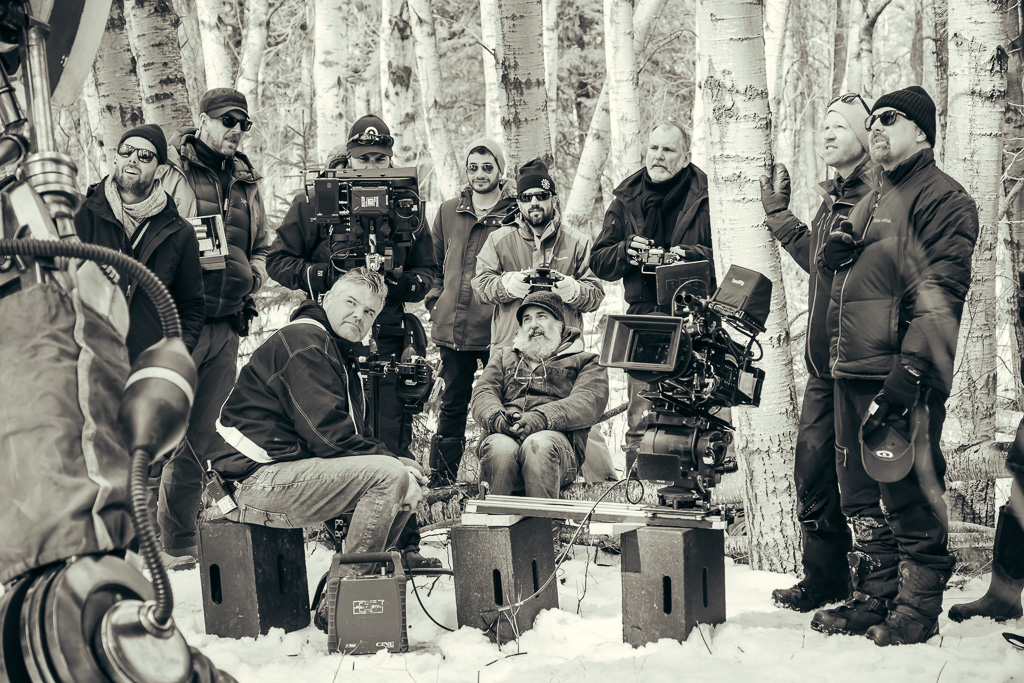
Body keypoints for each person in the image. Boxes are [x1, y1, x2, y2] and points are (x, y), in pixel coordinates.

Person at [810, 86, 979, 646]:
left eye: (890, 117)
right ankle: (875, 594)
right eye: (873, 120)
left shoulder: (944, 198)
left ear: (922, 131)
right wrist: (833, 259)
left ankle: (916, 610)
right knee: (859, 494)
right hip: (851, 369)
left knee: (908, 492)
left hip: (902, 374)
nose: (876, 126)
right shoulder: (873, 196)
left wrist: (911, 372)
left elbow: (941, 294)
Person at [204, 268, 427, 632]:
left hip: (275, 476)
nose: (359, 315)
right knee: (390, 475)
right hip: (247, 483)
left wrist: (402, 465)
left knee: (401, 475)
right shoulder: (305, 342)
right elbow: (329, 438)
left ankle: (360, 590)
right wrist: (393, 467)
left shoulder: (334, 350)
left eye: (369, 312)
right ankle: (346, 599)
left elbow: (350, 437)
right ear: (326, 299)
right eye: (351, 302)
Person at [265, 114, 436, 567]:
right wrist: (323, 276)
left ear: (391, 158)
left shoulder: (407, 202)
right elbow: (278, 260)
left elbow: (428, 269)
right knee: (339, 428)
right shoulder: (316, 201)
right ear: (348, 157)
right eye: (363, 158)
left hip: (388, 329)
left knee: (393, 429)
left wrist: (402, 285)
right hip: (331, 329)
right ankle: (345, 536)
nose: (371, 166)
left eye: (380, 158)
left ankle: (403, 542)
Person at [758, 95, 876, 612]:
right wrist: (781, 217)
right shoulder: (834, 199)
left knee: (862, 478)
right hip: (823, 367)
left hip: (861, 365)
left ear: (865, 137)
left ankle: (878, 588)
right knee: (812, 470)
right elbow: (820, 261)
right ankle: (825, 578)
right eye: (823, 125)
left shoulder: (877, 196)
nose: (826, 134)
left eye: (839, 126)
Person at [158, 87, 270, 568]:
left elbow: (262, 244)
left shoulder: (246, 180)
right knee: (158, 431)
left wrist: (254, 276)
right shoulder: (171, 170)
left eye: (243, 123)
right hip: (177, 323)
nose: (236, 130)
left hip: (227, 325)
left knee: (201, 436)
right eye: (227, 120)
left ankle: (177, 539)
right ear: (202, 120)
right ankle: (131, 541)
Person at [590, 121, 711, 475]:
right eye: (654, 147)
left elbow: (730, 253)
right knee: (642, 415)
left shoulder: (707, 196)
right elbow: (599, 261)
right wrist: (626, 251)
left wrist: (690, 256)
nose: (658, 156)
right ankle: (639, 488)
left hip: (695, 318)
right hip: (643, 320)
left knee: (696, 411)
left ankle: (696, 491)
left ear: (686, 156)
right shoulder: (626, 199)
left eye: (668, 149)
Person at [424, 138, 516, 486]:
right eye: (473, 167)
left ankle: (498, 481)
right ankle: (442, 482)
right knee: (452, 405)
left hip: (496, 332)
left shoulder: (513, 214)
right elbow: (433, 264)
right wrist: (436, 301)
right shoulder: (449, 211)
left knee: (499, 406)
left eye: (487, 167)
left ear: (500, 171)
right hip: (453, 329)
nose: (479, 174)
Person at [74, 124, 205, 363]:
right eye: (126, 151)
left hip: (147, 368)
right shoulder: (81, 216)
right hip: (87, 360)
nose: (133, 159)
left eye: (145, 155)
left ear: (160, 171)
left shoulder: (181, 233)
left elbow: (191, 307)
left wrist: (174, 357)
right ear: (115, 158)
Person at [470, 291, 609, 498]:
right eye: (527, 319)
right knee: (499, 448)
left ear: (559, 323)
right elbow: (483, 392)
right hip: (506, 434)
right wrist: (498, 419)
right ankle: (493, 518)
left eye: (541, 316)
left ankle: (541, 519)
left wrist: (542, 418)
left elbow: (588, 401)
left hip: (558, 448)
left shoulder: (587, 361)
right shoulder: (503, 357)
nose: (533, 325)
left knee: (538, 444)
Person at [471, 157, 604, 348]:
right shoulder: (498, 240)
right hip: (511, 348)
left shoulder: (578, 242)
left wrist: (574, 291)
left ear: (554, 199)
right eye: (526, 197)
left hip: (564, 349)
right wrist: (506, 286)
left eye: (541, 196)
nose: (534, 202)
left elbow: (596, 295)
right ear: (519, 202)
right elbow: (479, 288)